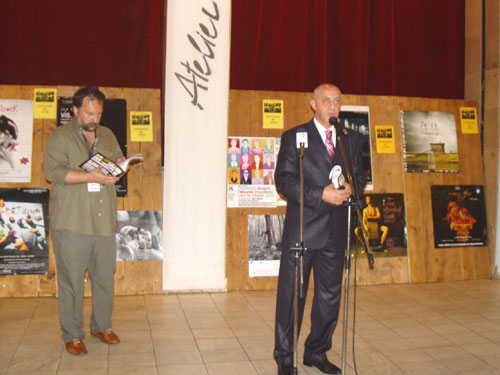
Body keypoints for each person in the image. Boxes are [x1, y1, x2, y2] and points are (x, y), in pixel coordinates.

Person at [273, 83, 366, 375]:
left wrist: (353, 188)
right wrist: (320, 194)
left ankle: (316, 351)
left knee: (329, 296)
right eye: (326, 101)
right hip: (302, 229)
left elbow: (361, 179)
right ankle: (285, 359)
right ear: (313, 104)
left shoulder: (350, 140)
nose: (332, 107)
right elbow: (284, 181)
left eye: (337, 102)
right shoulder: (294, 137)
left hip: (336, 231)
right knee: (292, 297)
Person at [43, 86, 125, 356]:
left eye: (99, 113)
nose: (94, 119)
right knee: (71, 281)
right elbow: (53, 173)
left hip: (103, 224)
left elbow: (114, 162)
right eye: (89, 113)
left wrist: (120, 164)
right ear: (75, 110)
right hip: (72, 222)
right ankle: (73, 334)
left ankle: (101, 326)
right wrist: (91, 177)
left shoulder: (108, 135)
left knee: (104, 277)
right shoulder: (60, 136)